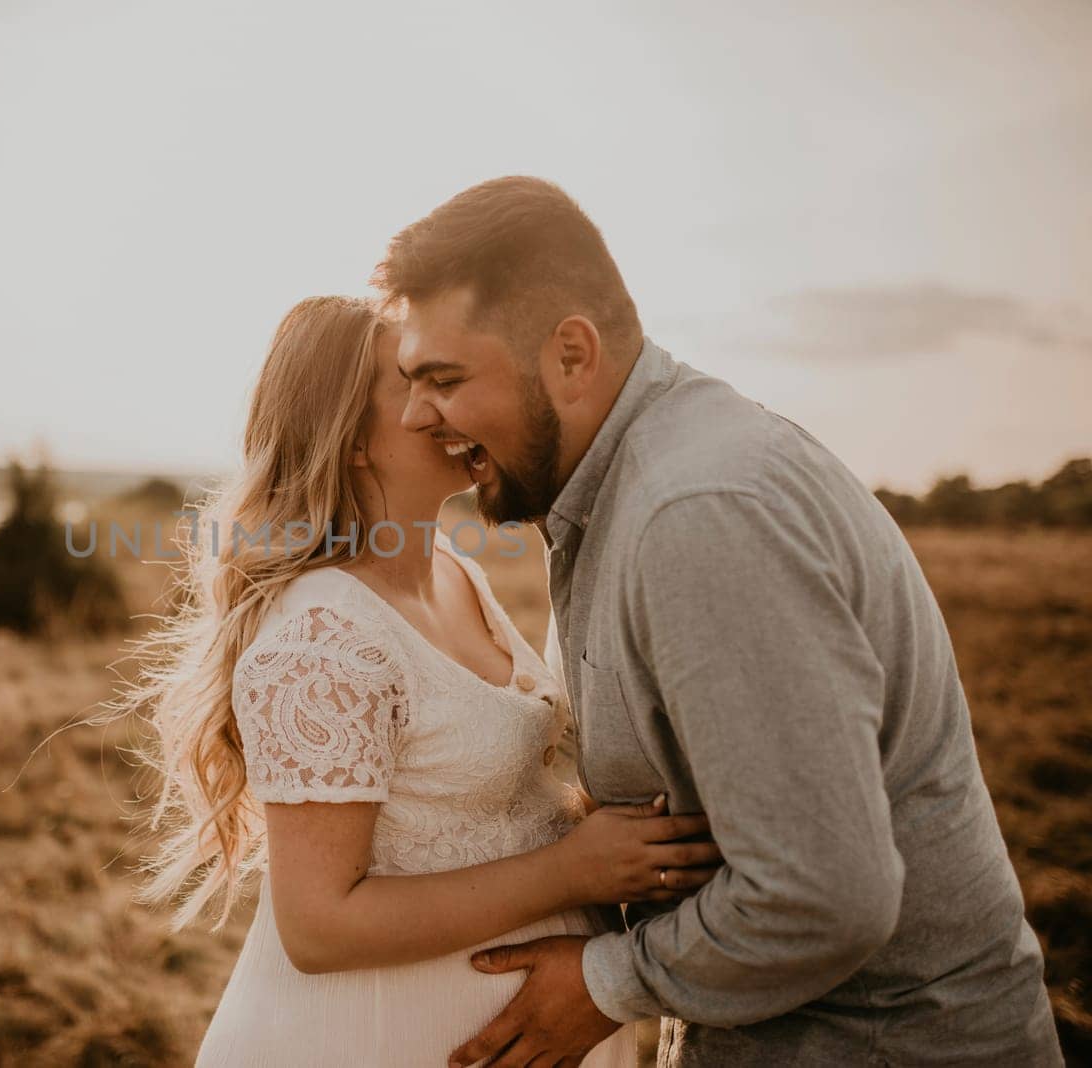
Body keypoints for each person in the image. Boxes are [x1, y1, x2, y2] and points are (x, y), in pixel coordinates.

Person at [368, 175, 1063, 1067]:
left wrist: (603, 982)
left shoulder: (697, 513)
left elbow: (824, 894)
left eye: (444, 379)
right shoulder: (619, 491)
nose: (420, 415)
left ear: (572, 356)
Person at [114, 294, 722, 1066]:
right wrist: (575, 869)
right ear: (352, 435)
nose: (457, 401)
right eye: (419, 381)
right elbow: (319, 926)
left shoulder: (451, 573)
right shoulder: (323, 636)